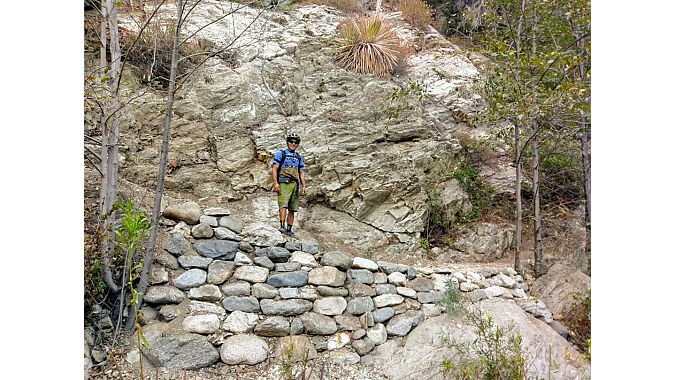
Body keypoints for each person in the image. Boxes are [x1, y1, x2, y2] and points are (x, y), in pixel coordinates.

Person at [271, 132, 308, 238]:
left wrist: (304, 186)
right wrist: (275, 183)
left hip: (295, 184)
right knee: (283, 205)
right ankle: (282, 226)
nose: (293, 143)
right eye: (291, 141)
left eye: (296, 142)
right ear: (288, 142)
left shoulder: (299, 157)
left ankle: (289, 229)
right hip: (284, 182)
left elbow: (301, 172)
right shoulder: (281, 153)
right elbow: (274, 168)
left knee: (292, 208)